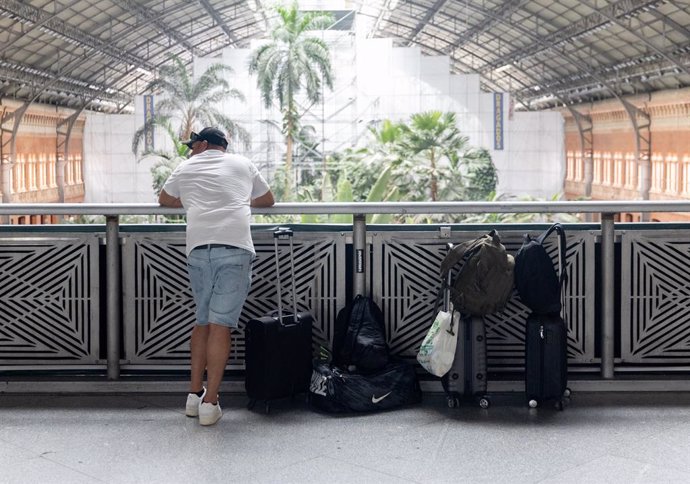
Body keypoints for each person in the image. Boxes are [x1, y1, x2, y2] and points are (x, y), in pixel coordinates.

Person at [159, 127, 275, 426]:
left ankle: (193, 396)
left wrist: (194, 202)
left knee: (202, 321)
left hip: (198, 249)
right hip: (234, 247)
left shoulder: (185, 167)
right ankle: (211, 403)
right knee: (220, 325)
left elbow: (166, 200)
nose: (189, 151)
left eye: (192, 145)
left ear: (203, 144)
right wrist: (238, 201)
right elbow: (267, 200)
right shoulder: (242, 163)